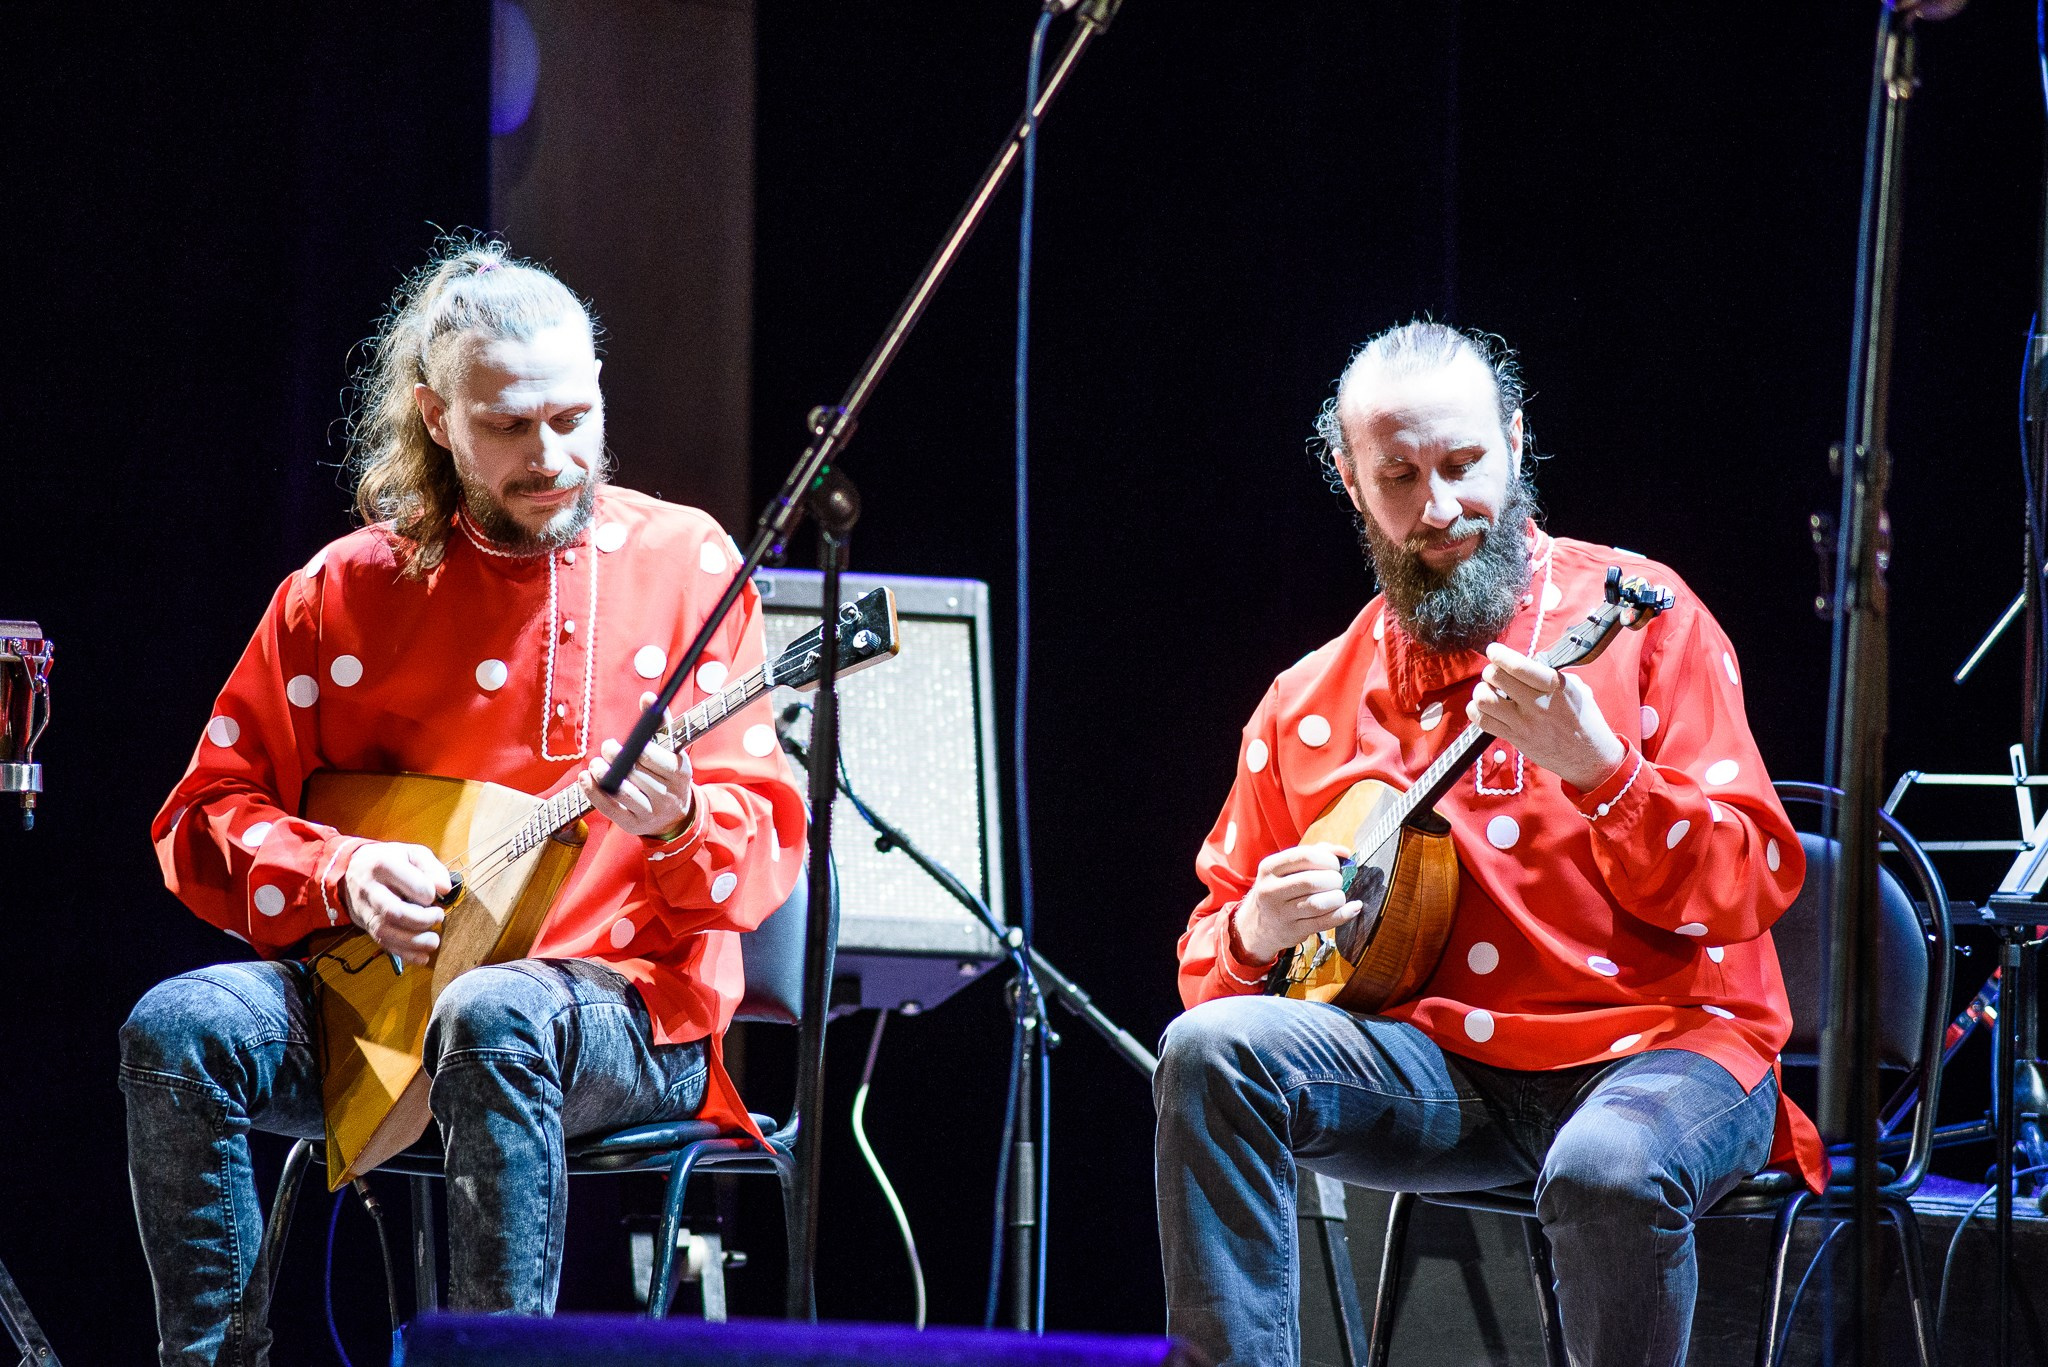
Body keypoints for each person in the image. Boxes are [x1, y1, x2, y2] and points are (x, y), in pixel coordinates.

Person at [118, 240, 807, 1363]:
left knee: (492, 1017)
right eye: (508, 425)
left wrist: (678, 822)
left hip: (628, 1008)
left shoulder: (688, 563)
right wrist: (338, 868)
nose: (553, 455)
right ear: (437, 418)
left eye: (574, 415)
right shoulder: (343, 591)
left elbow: (764, 845)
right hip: (387, 1004)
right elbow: (202, 813)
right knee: (179, 1029)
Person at [1153, 321, 1823, 1367]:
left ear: (1514, 440)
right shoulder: (1306, 702)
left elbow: (1749, 881)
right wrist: (1250, 927)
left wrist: (1608, 775)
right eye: (1399, 475)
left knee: (1603, 1167)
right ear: (1349, 478)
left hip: (1666, 1049)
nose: (1438, 508)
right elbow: (1211, 965)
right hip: (1440, 1073)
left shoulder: (1638, 618)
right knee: (1207, 1052)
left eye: (1463, 464)